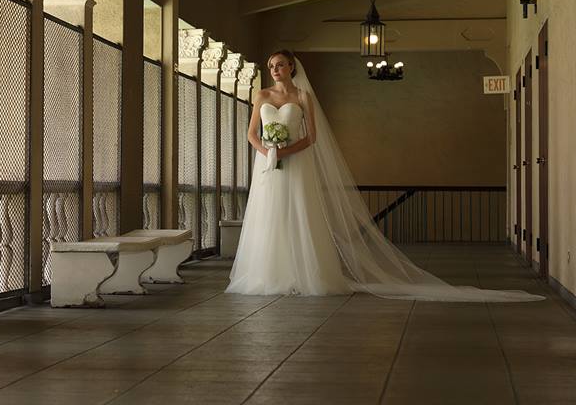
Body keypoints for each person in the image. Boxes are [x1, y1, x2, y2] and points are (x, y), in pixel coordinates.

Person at [226, 50, 543, 302]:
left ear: (292, 67)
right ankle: (269, 275)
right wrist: (270, 153)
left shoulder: (303, 97)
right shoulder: (262, 96)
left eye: (280, 64)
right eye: (271, 65)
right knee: (271, 216)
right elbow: (252, 134)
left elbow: (312, 139)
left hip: (295, 163)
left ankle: (303, 274)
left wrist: (285, 151)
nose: (275, 69)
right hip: (268, 165)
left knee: (299, 215)